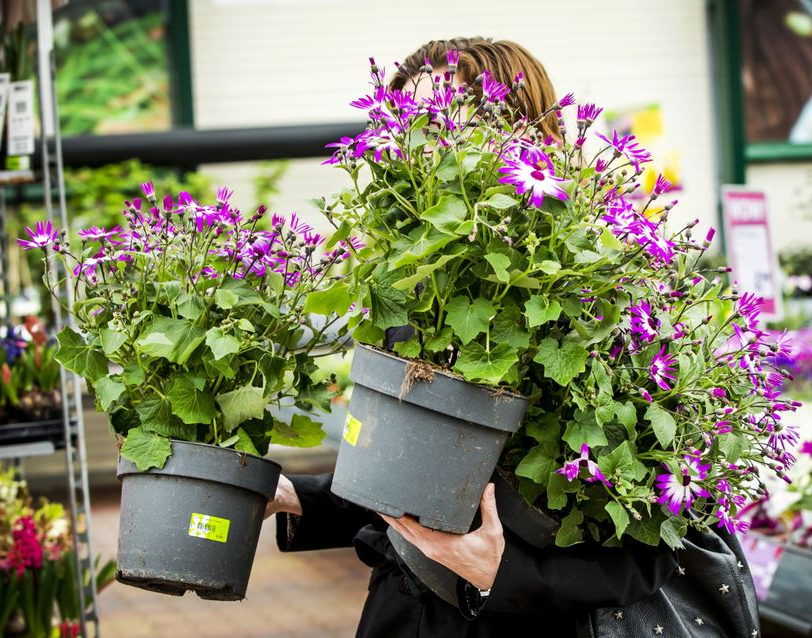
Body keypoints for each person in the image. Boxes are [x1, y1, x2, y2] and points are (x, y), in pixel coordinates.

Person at [264, 37, 678, 638]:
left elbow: (654, 543)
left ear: (526, 131)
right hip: (407, 613)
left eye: (453, 119)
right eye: (408, 122)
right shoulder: (415, 284)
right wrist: (292, 495)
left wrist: (502, 571)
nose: (426, 142)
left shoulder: (605, 294)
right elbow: (410, 476)